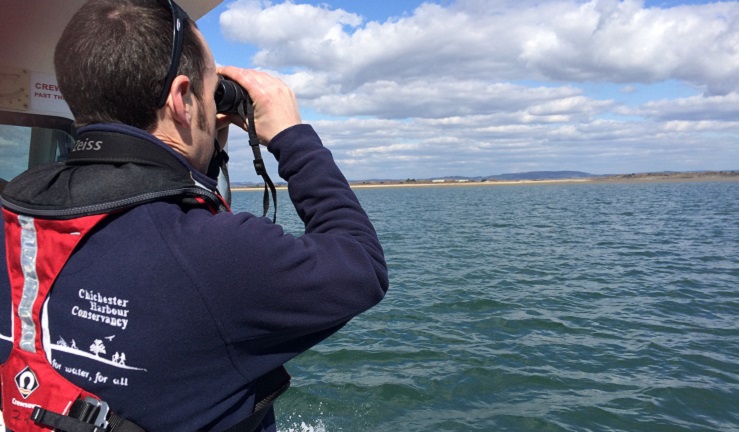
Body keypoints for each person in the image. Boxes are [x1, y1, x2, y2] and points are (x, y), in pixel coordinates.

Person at [0, 0, 388, 431]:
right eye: (210, 90)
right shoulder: (216, 255)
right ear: (182, 99)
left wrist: (201, 147)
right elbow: (361, 265)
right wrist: (292, 135)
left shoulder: (17, 213)